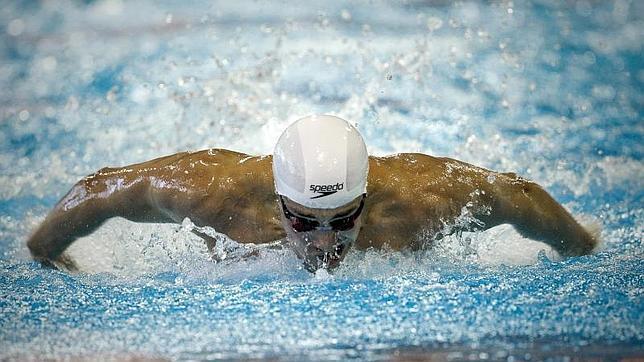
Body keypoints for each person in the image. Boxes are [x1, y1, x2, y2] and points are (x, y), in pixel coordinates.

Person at [27, 115, 598, 272]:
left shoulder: (424, 200)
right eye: (304, 221)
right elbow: (99, 190)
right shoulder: (211, 194)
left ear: (368, 198)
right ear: (276, 201)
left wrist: (580, 249)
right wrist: (47, 253)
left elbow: (517, 195)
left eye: (344, 218)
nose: (326, 240)